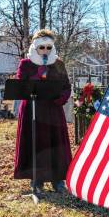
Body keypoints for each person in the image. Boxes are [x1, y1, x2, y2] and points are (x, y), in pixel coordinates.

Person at [14, 29, 72, 194]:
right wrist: (35, 80)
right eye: (41, 47)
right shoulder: (26, 64)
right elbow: (20, 85)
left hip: (53, 110)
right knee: (35, 142)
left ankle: (57, 179)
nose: (45, 51)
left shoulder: (58, 64)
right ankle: (36, 179)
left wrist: (61, 98)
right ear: (35, 47)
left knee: (55, 143)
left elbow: (66, 86)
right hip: (32, 110)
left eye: (48, 47)